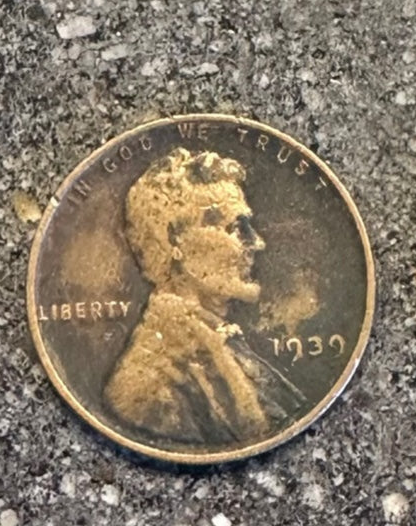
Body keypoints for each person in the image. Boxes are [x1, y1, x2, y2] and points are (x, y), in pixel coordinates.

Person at [105, 148, 304, 445]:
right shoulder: (145, 392)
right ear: (174, 242)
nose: (257, 243)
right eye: (235, 228)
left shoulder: (221, 344)